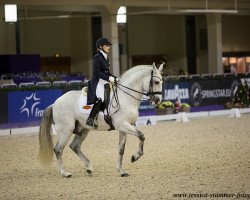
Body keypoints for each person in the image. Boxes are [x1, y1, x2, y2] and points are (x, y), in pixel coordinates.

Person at [86, 37, 118, 129]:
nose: (109, 47)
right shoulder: (97, 57)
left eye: (109, 45)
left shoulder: (106, 57)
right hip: (97, 82)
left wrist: (116, 78)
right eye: (107, 45)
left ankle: (107, 114)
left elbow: (107, 72)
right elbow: (96, 73)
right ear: (101, 46)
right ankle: (90, 119)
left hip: (104, 81)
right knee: (100, 98)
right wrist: (109, 78)